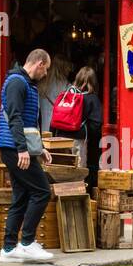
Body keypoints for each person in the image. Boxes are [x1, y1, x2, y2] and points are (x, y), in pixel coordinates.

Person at [0, 48, 54, 264]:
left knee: (20, 197)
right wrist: (22, 149)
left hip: (17, 148)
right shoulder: (17, 83)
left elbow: (28, 123)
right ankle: (27, 243)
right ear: (39, 63)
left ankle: (9, 248)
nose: (46, 74)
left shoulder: (25, 83)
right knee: (41, 191)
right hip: (13, 149)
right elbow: (15, 117)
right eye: (46, 69)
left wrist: (39, 149)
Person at [50, 66, 103, 194]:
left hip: (59, 140)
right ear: (93, 82)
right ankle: (75, 200)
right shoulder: (92, 98)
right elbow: (96, 125)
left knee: (61, 172)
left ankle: (58, 198)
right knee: (77, 173)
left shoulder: (66, 95)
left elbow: (54, 119)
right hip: (78, 141)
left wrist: (53, 137)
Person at [38, 54, 72, 135]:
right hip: (59, 129)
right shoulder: (67, 86)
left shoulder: (42, 83)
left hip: (43, 128)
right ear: (64, 68)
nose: (70, 69)